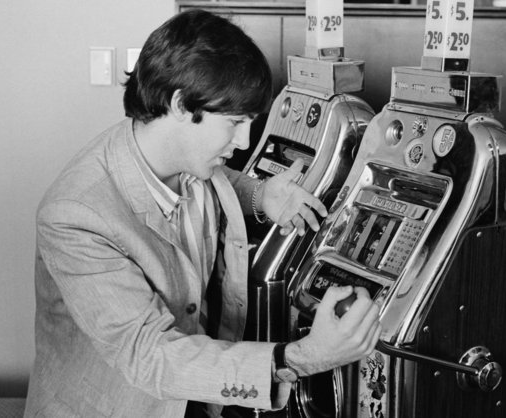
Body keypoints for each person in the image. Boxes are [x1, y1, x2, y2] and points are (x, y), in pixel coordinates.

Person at [24, 9, 381, 418]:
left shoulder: (179, 155)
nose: (245, 140)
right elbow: (148, 355)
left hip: (197, 399)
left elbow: (219, 177)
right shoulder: (75, 215)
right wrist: (302, 356)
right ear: (180, 104)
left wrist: (261, 194)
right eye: (234, 122)